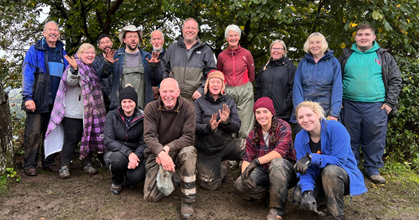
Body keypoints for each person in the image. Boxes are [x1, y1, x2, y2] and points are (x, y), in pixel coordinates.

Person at [338, 24, 402, 184]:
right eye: (360, 34)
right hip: (349, 104)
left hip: (376, 106)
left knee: (375, 139)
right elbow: (335, 78)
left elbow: (395, 80)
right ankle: (350, 169)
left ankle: (372, 169)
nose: (363, 37)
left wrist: (389, 103)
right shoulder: (346, 55)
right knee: (349, 138)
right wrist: (337, 101)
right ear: (355, 38)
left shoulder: (384, 56)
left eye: (367, 34)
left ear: (374, 37)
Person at [293, 101, 367, 220]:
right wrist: (308, 192)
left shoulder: (336, 128)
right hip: (318, 177)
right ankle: (324, 203)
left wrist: (312, 158)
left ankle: (334, 215)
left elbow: (339, 161)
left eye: (309, 115)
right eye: (300, 117)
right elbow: (303, 170)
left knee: (330, 171)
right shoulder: (300, 137)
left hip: (342, 174)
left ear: (318, 115)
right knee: (299, 195)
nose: (305, 120)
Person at [43, 43, 107, 179]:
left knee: (88, 137)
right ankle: (64, 166)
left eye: (92, 53)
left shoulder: (91, 69)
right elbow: (70, 81)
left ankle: (87, 163)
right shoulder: (73, 66)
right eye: (87, 52)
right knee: (71, 139)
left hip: (89, 112)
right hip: (74, 112)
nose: (90, 55)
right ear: (80, 54)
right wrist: (74, 69)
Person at [234, 97, 297, 220]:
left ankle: (277, 209)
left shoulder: (283, 127)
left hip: (285, 171)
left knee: (277, 163)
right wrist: (245, 174)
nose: (261, 115)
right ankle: (269, 194)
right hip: (264, 171)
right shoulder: (253, 133)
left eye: (265, 111)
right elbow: (247, 157)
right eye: (258, 112)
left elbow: (279, 152)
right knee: (240, 184)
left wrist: (256, 161)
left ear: (272, 113)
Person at [143, 78, 197, 219]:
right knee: (150, 197)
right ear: (159, 92)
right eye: (164, 91)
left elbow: (189, 137)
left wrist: (168, 148)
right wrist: (160, 152)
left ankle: (187, 201)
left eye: (172, 91)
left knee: (189, 152)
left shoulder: (188, 107)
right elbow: (149, 136)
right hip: (157, 153)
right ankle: (174, 180)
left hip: (178, 150)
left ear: (178, 92)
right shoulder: (150, 108)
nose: (168, 95)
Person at [21, 21, 69, 176]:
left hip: (56, 101)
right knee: (33, 133)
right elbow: (27, 73)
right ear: (44, 33)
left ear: (59, 34)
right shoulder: (35, 50)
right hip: (38, 98)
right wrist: (28, 97)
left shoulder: (63, 53)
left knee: (52, 132)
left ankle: (48, 162)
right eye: (50, 30)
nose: (53, 32)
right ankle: (30, 164)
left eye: (56, 30)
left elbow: (69, 75)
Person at [194, 70, 245, 191]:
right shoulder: (199, 102)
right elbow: (194, 126)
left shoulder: (229, 102)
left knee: (249, 147)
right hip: (207, 150)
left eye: (218, 82)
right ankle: (224, 166)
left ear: (222, 85)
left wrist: (227, 122)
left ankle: (248, 180)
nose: (215, 85)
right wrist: (209, 128)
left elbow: (237, 125)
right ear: (207, 84)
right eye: (212, 82)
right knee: (209, 185)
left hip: (226, 144)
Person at [99, 25, 162, 110]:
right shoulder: (116, 56)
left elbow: (157, 80)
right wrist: (107, 63)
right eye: (130, 36)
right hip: (120, 107)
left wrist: (154, 67)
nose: (133, 39)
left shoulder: (147, 57)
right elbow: (101, 75)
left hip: (143, 107)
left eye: (135, 36)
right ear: (124, 40)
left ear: (139, 39)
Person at [292, 32, 342, 134]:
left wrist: (334, 113)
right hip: (306, 109)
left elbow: (337, 88)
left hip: (326, 110)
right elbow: (297, 88)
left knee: (326, 142)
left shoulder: (333, 62)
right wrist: (300, 111)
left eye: (318, 42)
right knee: (304, 141)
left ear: (323, 44)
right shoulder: (303, 63)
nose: (315, 45)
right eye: (311, 43)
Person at [161, 18, 216, 103]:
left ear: (197, 31)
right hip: (174, 98)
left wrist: (201, 90)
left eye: (193, 28)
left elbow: (211, 74)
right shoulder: (172, 48)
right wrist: (168, 88)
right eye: (187, 28)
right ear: (182, 30)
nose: (190, 30)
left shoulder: (206, 50)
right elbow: (164, 69)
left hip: (197, 99)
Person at [103, 86, 146, 194]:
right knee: (117, 161)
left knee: (136, 177)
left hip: (136, 154)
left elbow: (144, 143)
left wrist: (135, 156)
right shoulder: (112, 115)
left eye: (130, 101)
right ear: (120, 103)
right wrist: (129, 153)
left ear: (135, 102)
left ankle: (129, 177)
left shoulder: (144, 118)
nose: (127, 105)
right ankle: (117, 182)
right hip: (117, 152)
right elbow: (108, 140)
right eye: (124, 101)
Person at [217, 24, 255, 138]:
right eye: (230, 35)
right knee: (230, 123)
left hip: (244, 91)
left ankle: (245, 151)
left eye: (235, 35)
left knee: (245, 127)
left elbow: (251, 74)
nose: (233, 38)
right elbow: (219, 74)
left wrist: (245, 87)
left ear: (239, 37)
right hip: (228, 92)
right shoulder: (222, 56)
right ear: (227, 38)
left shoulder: (246, 54)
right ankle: (231, 151)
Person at [255, 40, 297, 123]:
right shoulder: (264, 68)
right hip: (265, 112)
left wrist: (285, 105)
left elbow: (293, 88)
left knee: (280, 135)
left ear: (284, 51)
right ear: (270, 50)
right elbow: (258, 87)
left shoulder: (289, 67)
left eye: (279, 48)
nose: (276, 51)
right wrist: (259, 103)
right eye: (274, 48)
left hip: (282, 113)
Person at [91, 33, 114, 112]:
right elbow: (98, 76)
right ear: (99, 46)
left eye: (107, 42)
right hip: (102, 100)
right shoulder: (95, 62)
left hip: (119, 98)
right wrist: (106, 63)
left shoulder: (119, 57)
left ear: (112, 43)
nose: (106, 45)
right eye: (103, 43)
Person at [150, 30, 166, 100]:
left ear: (163, 40)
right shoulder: (146, 56)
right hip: (148, 93)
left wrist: (159, 87)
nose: (156, 42)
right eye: (154, 39)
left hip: (165, 94)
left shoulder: (169, 56)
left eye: (158, 39)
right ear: (151, 41)